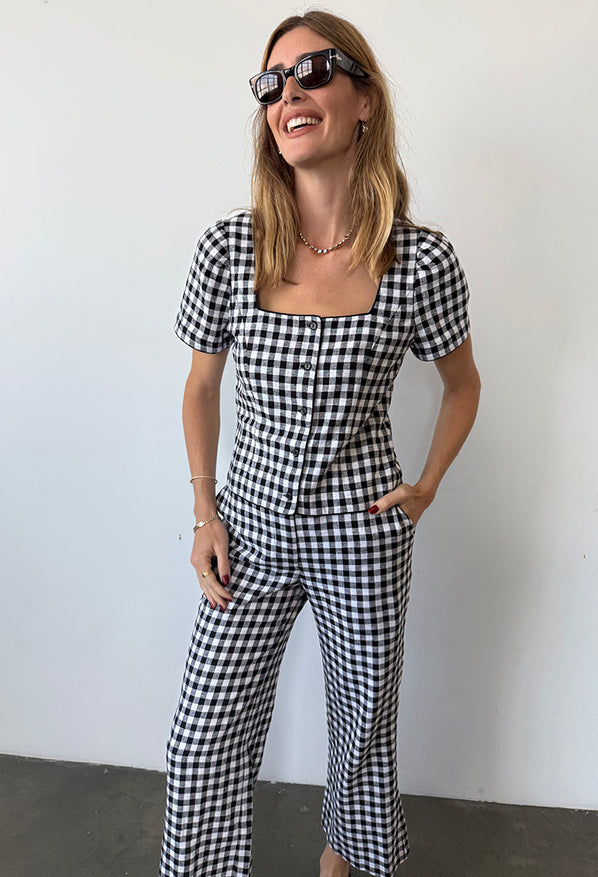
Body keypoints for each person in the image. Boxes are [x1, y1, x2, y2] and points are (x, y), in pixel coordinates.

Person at [159, 10, 481, 877]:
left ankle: (343, 869)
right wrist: (204, 509)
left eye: (315, 72)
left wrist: (427, 484)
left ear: (365, 98)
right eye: (272, 83)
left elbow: (462, 385)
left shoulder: (419, 261)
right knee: (202, 736)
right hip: (250, 524)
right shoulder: (231, 247)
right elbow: (199, 385)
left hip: (361, 528)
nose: (289, 92)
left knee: (363, 733)